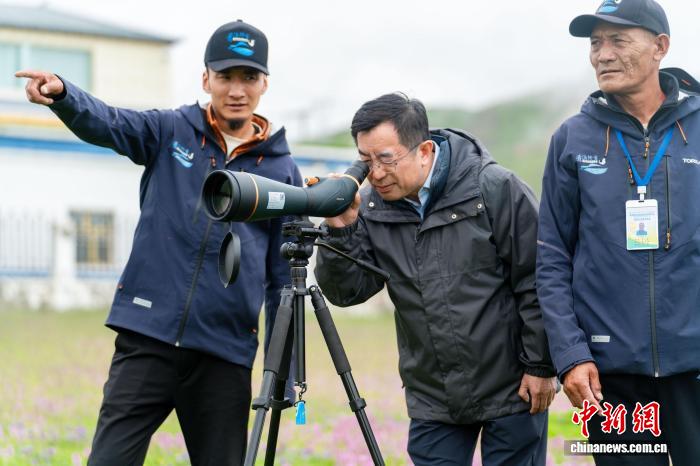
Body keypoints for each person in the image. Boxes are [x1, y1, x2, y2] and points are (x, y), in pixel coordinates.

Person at [16, 19, 302, 466]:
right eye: (225, 76)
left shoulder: (283, 172)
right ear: (205, 78)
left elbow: (282, 279)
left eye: (249, 77)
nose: (236, 89)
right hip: (146, 336)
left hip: (224, 352)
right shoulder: (170, 130)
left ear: (264, 83)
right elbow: (110, 122)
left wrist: (281, 370)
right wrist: (66, 95)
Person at [314, 93, 557, 465]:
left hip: (513, 389)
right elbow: (347, 292)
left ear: (425, 151)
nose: (375, 173)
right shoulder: (374, 208)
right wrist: (341, 229)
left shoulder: (494, 188)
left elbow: (537, 279)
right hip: (433, 396)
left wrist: (540, 365)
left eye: (385, 159)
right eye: (364, 161)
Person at [537, 1, 700, 464]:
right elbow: (551, 257)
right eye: (595, 43)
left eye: (618, 41)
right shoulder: (572, 139)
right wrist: (571, 355)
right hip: (608, 378)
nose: (602, 54)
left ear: (660, 47)